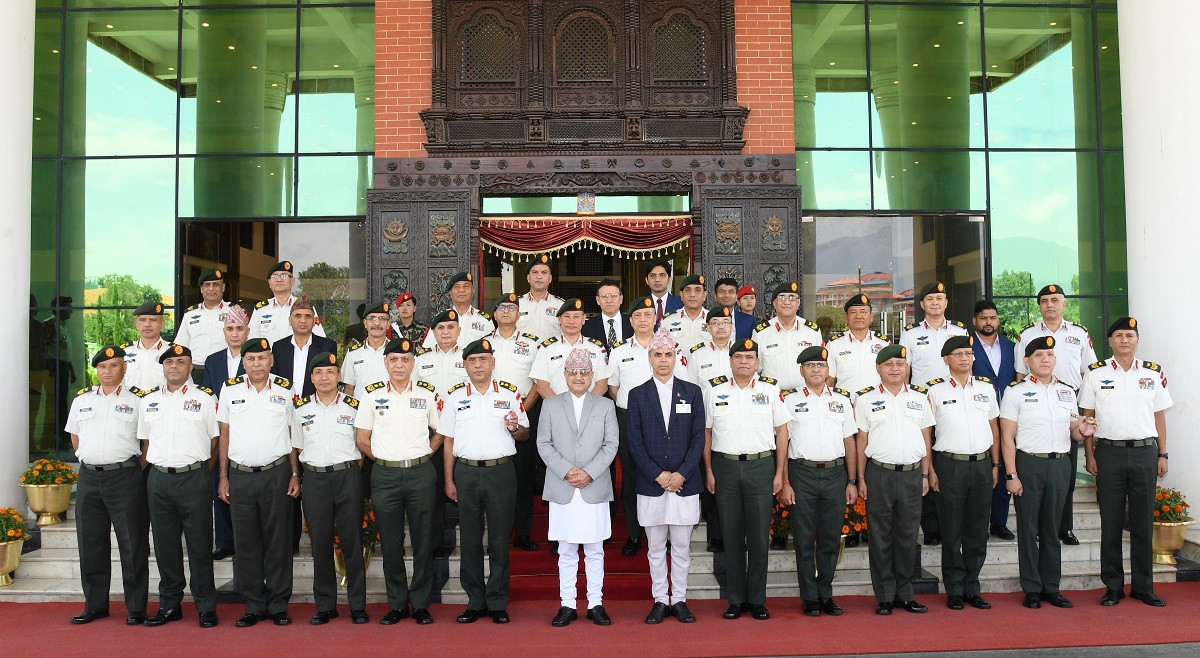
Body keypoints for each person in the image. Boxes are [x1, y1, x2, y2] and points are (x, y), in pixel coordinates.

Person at [1080, 317, 1172, 608]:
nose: (1124, 340)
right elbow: (1088, 417)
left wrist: (1163, 453)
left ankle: (1144, 587)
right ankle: (1114, 587)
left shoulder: (1152, 373)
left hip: (1145, 452)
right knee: (1112, 522)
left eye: (1129, 335)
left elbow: (1159, 416)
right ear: (1110, 341)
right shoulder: (1095, 373)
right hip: (1109, 453)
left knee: (1143, 523)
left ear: (1137, 340)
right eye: (1118, 335)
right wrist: (1090, 454)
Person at [437, 338, 530, 625]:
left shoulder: (511, 394)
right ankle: (475, 601)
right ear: (464, 365)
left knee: (500, 539)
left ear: (493, 363)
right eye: (472, 360)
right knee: (471, 540)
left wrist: (515, 429)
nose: (478, 365)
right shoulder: (454, 396)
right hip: (466, 473)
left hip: (501, 472)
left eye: (483, 360)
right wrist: (449, 479)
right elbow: (448, 441)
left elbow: (525, 434)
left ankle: (498, 601)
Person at [1000, 336, 1092, 610]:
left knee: (1053, 528)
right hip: (1029, 464)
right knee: (1028, 529)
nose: (1045, 359)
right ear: (1027, 361)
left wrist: (1083, 429)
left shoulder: (1066, 391)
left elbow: (1073, 430)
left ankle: (1051, 587)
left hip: (1060, 465)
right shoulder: (1015, 391)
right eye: (1039, 355)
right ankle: (1031, 588)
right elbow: (1007, 437)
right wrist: (1011, 474)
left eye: (1050, 355)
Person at [354, 337, 441, 625]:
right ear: (385, 363)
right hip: (385, 475)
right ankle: (397, 605)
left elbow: (441, 430)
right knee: (390, 543)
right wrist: (380, 458)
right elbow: (361, 438)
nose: (399, 365)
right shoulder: (370, 395)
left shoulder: (428, 394)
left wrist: (428, 453)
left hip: (420, 473)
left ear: (413, 363)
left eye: (405, 360)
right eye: (394, 360)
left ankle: (420, 604)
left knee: (423, 540)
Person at [216, 338, 300, 627]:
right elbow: (224, 436)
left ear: (271, 361)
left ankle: (277, 604)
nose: (256, 364)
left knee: (278, 542)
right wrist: (223, 476)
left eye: (262, 358)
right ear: (243, 362)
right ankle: (253, 604)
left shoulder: (286, 390)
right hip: (240, 476)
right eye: (251, 359)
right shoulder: (230, 389)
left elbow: (293, 436)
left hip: (277, 474)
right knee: (246, 542)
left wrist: (295, 473)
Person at [703, 338, 789, 621]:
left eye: (749, 358)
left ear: (757, 363)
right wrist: (709, 470)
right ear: (730, 361)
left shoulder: (770, 390)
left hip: (760, 467)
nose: (744, 362)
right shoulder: (714, 390)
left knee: (758, 536)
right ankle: (736, 599)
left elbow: (782, 432)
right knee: (731, 536)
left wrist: (779, 474)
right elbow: (706, 433)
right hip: (725, 467)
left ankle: (757, 599)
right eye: (738, 357)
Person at [64, 345, 150, 625]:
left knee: (132, 543)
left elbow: (147, 442)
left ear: (124, 369)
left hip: (125, 477)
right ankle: (95, 604)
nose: (107, 371)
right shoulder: (82, 400)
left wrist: (134, 468)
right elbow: (75, 438)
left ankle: (136, 608)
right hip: (89, 477)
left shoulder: (139, 400)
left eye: (114, 366)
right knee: (90, 544)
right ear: (96, 370)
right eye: (102, 367)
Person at [626, 329, 706, 624]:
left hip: (685, 484)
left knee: (682, 547)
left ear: (676, 358)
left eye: (668, 354)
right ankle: (661, 599)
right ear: (649, 358)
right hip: (652, 484)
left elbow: (699, 439)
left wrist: (681, 474)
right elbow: (634, 442)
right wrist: (659, 475)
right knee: (656, 547)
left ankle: (680, 600)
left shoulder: (693, 392)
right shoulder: (637, 395)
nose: (663, 360)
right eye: (657, 355)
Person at [140, 344, 220, 628]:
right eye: (170, 362)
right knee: (164, 546)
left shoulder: (206, 399)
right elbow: (146, 442)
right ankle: (170, 605)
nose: (174, 366)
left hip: (193, 477)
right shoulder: (148, 401)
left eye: (181, 362)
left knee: (200, 545)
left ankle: (206, 607)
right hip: (159, 478)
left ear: (190, 367)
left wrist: (199, 472)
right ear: (163, 367)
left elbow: (214, 441)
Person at [538, 348, 619, 627]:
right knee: (566, 549)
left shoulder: (605, 405)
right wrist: (567, 471)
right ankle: (567, 604)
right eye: (573, 372)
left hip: (594, 487)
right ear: (564, 375)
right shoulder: (550, 405)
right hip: (563, 487)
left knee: (595, 549)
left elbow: (611, 445)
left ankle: (596, 603)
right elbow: (543, 445)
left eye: (584, 372)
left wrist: (589, 473)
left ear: (592, 375)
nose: (578, 377)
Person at [1013, 284, 1098, 547]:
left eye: (1055, 300)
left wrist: (1084, 410)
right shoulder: (1026, 334)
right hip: (1034, 403)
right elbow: (1019, 374)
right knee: (1035, 479)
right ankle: (1037, 527)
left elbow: (1089, 372)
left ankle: (1064, 527)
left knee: (1066, 474)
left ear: (1064, 304)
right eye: (1045, 301)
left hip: (1066, 403)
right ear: (1039, 306)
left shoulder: (1079, 333)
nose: (1050, 304)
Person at [777, 346, 857, 617]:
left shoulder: (843, 401)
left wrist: (853, 480)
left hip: (836, 474)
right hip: (802, 474)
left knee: (831, 538)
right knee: (803, 537)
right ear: (801, 371)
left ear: (828, 371)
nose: (815, 370)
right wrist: (786, 481)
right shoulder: (789, 400)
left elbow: (850, 442)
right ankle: (809, 596)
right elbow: (783, 445)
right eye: (810, 366)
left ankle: (825, 593)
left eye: (820, 366)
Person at [854, 344, 934, 616]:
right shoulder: (864, 399)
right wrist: (860, 478)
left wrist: (926, 473)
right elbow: (861, 439)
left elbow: (926, 438)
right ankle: (885, 595)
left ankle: (905, 593)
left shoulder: (921, 397)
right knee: (880, 536)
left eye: (900, 364)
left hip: (912, 474)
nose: (895, 369)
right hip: (879, 474)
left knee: (907, 536)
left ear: (907, 368)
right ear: (878, 369)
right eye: (889, 364)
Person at [292, 352, 369, 625]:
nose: (325, 377)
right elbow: (297, 446)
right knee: (320, 544)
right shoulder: (300, 410)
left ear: (338, 376)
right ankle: (325, 605)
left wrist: (348, 472)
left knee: (352, 542)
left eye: (330, 372)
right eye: (319, 372)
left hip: (347, 476)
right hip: (314, 479)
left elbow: (362, 445)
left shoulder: (354, 406)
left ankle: (357, 604)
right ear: (311, 378)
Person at [925, 336, 1000, 611]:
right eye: (959, 354)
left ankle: (972, 587)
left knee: (977, 530)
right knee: (952, 530)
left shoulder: (987, 389)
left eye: (968, 353)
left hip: (981, 465)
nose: (965, 358)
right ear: (946, 359)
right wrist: (930, 470)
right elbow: (927, 434)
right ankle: (954, 589)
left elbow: (994, 429)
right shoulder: (934, 392)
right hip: (949, 465)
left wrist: (995, 465)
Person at [609, 303, 689, 556]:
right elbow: (613, 388)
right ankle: (635, 534)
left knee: (667, 473)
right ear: (630, 321)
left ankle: (665, 534)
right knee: (632, 477)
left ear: (656, 318)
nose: (643, 319)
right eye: (637, 316)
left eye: (647, 315)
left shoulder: (670, 347)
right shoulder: (619, 351)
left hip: (667, 422)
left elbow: (684, 384)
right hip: (629, 418)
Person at [489, 292, 544, 551]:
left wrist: (522, 409)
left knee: (522, 476)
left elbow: (537, 382)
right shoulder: (484, 344)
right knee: (495, 477)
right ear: (495, 313)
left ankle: (522, 534)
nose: (507, 311)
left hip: (525, 411)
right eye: (502, 307)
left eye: (512, 308)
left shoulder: (533, 344)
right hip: (490, 415)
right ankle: (497, 535)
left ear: (519, 314)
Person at [415, 308, 468, 556]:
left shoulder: (471, 357)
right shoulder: (420, 358)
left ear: (459, 330)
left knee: (468, 489)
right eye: (440, 328)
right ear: (433, 332)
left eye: (450, 327)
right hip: (432, 432)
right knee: (434, 492)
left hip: (465, 432)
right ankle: (435, 545)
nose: (446, 332)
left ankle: (470, 544)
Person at [685, 306, 736, 551]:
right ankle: (715, 534)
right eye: (715, 322)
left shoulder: (742, 352)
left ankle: (736, 533)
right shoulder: (698, 354)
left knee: (732, 479)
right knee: (710, 477)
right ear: (708, 327)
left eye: (725, 322)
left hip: (736, 424)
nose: (721, 327)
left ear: (732, 326)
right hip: (706, 423)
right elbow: (691, 389)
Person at [201, 304, 249, 561]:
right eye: (230, 328)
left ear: (247, 331)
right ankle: (224, 541)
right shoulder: (213, 360)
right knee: (220, 483)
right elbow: (209, 395)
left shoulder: (255, 357)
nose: (234, 333)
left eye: (239, 329)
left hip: (247, 428)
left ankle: (246, 540)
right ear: (224, 331)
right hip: (221, 428)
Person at [971, 300, 1018, 541]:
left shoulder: (1012, 347)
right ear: (975, 321)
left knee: (1004, 466)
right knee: (982, 469)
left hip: (1008, 416)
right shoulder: (966, 348)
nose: (988, 322)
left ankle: (999, 522)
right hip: (978, 417)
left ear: (997, 320)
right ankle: (977, 522)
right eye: (983, 318)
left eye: (992, 318)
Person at [530, 299, 610, 400]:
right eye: (566, 316)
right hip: (556, 411)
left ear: (584, 319)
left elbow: (602, 385)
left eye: (576, 317)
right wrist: (561, 409)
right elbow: (542, 386)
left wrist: (585, 407)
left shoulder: (597, 348)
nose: (571, 321)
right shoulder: (546, 348)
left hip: (589, 411)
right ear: (559, 319)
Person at [751, 281, 822, 391]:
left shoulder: (812, 331)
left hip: (805, 396)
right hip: (773, 396)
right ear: (774, 303)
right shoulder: (761, 333)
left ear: (798, 303)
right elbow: (754, 368)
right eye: (781, 297)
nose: (787, 302)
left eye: (792, 298)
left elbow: (821, 367)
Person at [900, 282, 968, 388]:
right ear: (922, 304)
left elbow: (968, 367)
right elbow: (904, 370)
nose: (935, 302)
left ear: (946, 303)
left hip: (953, 396)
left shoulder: (960, 331)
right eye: (930, 299)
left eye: (939, 298)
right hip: (922, 397)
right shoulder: (910, 333)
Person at [271, 297, 338, 399]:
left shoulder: (327, 346)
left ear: (314, 321)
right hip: (284, 405)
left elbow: (331, 381)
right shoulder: (279, 347)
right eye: (298, 316)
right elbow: (274, 379)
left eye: (308, 316)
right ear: (290, 320)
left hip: (315, 407)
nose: (303, 320)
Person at [248, 260, 326, 345]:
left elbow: (319, 340)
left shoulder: (305, 307)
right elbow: (252, 341)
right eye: (274, 276)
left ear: (292, 281)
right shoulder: (260, 310)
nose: (279, 279)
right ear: (269, 283)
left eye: (284, 276)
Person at [173, 268, 231, 384]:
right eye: (207, 285)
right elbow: (181, 346)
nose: (211, 289)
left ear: (223, 287)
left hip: (224, 368)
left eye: (216, 284)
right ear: (201, 289)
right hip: (196, 370)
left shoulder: (233, 311)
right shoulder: (190, 314)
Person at [825, 294, 889, 394]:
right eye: (853, 312)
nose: (858, 316)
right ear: (846, 318)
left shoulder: (884, 343)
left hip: (877, 404)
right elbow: (830, 379)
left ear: (871, 317)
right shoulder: (834, 345)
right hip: (846, 403)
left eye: (863, 312)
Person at [423, 272, 493, 348]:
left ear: (473, 291)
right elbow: (429, 348)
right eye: (457, 287)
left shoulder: (484, 321)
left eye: (466, 287)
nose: (461, 290)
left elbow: (492, 349)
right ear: (450, 292)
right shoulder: (440, 319)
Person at [342, 301, 392, 397]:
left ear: (388, 324)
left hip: (390, 410)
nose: (377, 323)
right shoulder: (353, 353)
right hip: (360, 410)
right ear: (365, 323)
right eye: (372, 318)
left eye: (382, 318)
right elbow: (349, 388)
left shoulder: (398, 352)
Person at [122, 300, 170, 392]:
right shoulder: (125, 352)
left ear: (162, 324)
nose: (147, 324)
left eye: (153, 320)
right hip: (130, 404)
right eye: (142, 320)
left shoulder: (172, 353)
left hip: (160, 404)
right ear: (137, 324)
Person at [518, 253, 565, 339]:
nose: (539, 276)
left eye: (544, 272)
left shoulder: (560, 305)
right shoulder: (517, 304)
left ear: (550, 278)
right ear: (528, 278)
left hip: (551, 352)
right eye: (535, 272)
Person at [582, 278, 632, 352]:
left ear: (621, 299)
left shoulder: (632, 323)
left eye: (613, 296)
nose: (609, 301)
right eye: (604, 296)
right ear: (598, 300)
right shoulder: (587, 327)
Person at [661, 274, 710, 349]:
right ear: (681, 295)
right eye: (687, 290)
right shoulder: (668, 321)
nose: (692, 294)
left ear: (704, 295)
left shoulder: (713, 320)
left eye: (697, 290)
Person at [644, 260, 683, 329]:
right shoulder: (641, 305)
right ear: (647, 280)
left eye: (662, 275)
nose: (657, 280)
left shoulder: (681, 304)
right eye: (653, 276)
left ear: (669, 280)